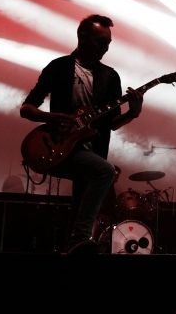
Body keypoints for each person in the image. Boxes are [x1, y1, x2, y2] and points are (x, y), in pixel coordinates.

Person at [20, 14, 144, 255]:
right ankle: (79, 239)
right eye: (100, 42)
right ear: (83, 37)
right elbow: (27, 108)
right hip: (58, 146)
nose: (105, 48)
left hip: (92, 151)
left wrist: (133, 113)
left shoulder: (110, 76)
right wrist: (54, 117)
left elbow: (112, 124)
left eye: (108, 43)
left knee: (83, 203)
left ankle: (73, 251)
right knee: (105, 171)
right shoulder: (59, 67)